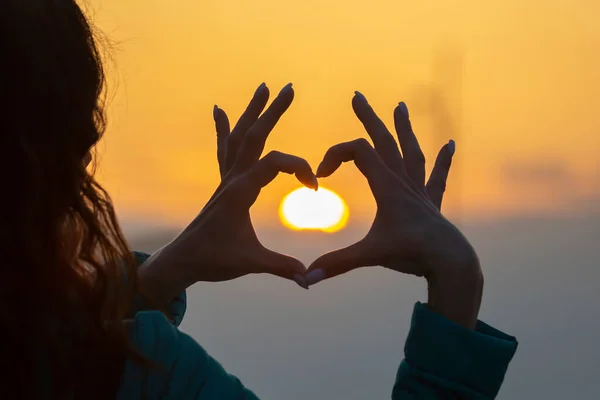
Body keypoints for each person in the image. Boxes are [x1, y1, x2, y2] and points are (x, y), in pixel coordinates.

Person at [0, 1, 517, 399]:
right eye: (82, 153)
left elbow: (48, 349)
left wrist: (158, 277)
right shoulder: (146, 375)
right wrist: (456, 284)